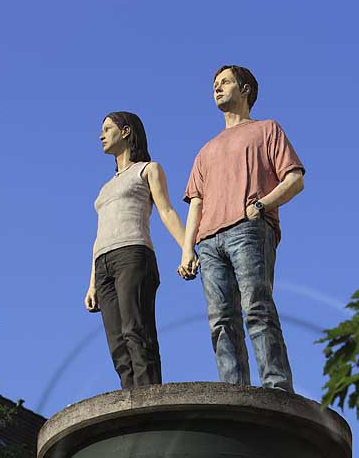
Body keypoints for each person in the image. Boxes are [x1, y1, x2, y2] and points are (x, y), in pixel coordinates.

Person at [178, 66, 305, 392]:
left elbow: (295, 179)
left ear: (245, 88)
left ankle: (276, 388)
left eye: (225, 82)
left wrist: (261, 206)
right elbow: (196, 201)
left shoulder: (266, 130)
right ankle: (234, 393)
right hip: (208, 242)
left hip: (248, 229)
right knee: (220, 322)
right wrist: (186, 248)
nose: (217, 88)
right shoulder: (205, 150)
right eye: (214, 84)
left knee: (257, 309)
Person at [85, 111, 192, 388]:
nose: (101, 135)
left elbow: (167, 210)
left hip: (133, 254)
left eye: (107, 128)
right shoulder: (104, 188)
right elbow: (99, 235)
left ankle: (149, 399)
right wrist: (92, 284)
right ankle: (129, 402)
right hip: (103, 263)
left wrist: (186, 249)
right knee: (116, 342)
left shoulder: (148, 169)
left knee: (136, 331)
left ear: (126, 131)